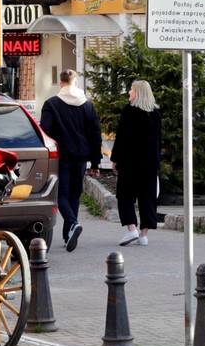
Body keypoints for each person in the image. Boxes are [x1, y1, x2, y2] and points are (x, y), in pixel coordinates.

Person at [39, 69, 101, 252]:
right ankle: (68, 235)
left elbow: (45, 131)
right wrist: (96, 162)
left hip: (62, 156)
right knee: (75, 194)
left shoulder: (51, 104)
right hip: (81, 155)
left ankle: (72, 224)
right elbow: (95, 134)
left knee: (61, 195)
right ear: (76, 82)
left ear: (61, 83)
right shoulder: (87, 105)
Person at [111, 79, 163, 246]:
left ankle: (131, 229)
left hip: (130, 162)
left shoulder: (129, 111)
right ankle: (143, 235)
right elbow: (158, 141)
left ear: (138, 93)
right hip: (149, 164)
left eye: (131, 90)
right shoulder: (155, 113)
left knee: (125, 196)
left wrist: (115, 159)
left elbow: (122, 138)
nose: (129, 92)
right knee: (147, 198)